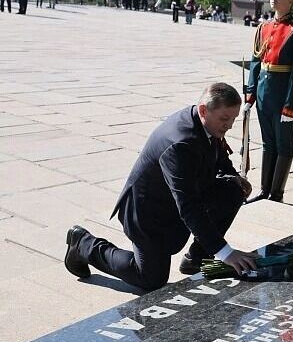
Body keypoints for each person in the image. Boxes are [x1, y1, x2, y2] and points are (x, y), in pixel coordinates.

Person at [63, 83, 258, 291]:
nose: (229, 125)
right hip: (149, 212)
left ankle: (198, 258)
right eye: (225, 119)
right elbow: (188, 205)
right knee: (151, 278)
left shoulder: (206, 122)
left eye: (233, 119)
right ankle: (83, 244)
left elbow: (216, 154)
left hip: (175, 198)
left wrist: (233, 176)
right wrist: (225, 252)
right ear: (203, 110)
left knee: (233, 190)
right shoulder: (180, 143)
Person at [245, 0, 293, 203]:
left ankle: (277, 193)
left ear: (291, 0)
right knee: (267, 142)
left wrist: (292, 105)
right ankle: (264, 190)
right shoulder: (263, 27)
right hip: (264, 93)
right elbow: (256, 62)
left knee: (284, 145)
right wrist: (250, 93)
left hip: (283, 96)